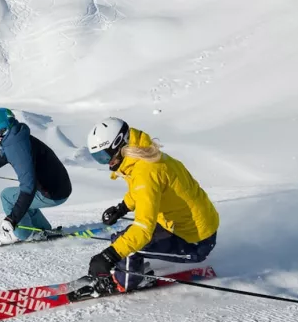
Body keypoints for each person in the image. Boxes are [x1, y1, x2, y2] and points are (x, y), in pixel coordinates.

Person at [83, 118, 219, 293]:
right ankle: (129, 269)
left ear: (119, 144)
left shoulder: (145, 172)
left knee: (128, 245)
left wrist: (108, 256)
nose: (105, 162)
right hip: (193, 226)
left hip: (195, 241)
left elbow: (143, 229)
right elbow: (142, 191)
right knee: (123, 239)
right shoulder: (144, 156)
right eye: (97, 157)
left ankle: (124, 282)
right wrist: (123, 207)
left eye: (104, 156)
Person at [0, 107, 73, 245]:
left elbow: (28, 188)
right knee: (20, 198)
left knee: (7, 196)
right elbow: (2, 157)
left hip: (52, 193)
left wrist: (13, 219)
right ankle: (42, 229)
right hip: (59, 187)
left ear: (1, 129)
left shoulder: (17, 147)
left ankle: (24, 234)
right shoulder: (16, 137)